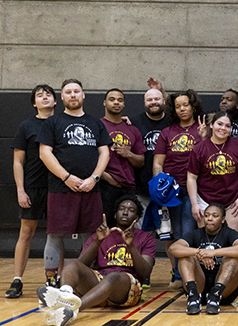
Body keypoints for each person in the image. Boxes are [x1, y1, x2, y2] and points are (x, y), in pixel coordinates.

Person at [37, 196, 156, 326]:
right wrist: (97, 241)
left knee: (114, 276)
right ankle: (65, 295)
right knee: (71, 263)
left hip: (127, 287)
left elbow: (145, 272)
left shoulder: (146, 238)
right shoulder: (101, 234)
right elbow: (81, 264)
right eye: (121, 209)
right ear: (115, 214)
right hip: (100, 283)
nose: (125, 212)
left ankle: (73, 309)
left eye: (131, 210)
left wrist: (131, 246)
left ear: (137, 217)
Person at [37, 79, 112, 287]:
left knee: (90, 236)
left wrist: (94, 178)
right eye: (68, 92)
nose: (72, 95)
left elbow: (105, 152)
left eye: (76, 91)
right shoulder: (52, 123)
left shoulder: (96, 123)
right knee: (55, 235)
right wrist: (66, 177)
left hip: (90, 189)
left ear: (83, 95)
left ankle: (86, 280)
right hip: (61, 189)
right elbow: (45, 153)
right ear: (62, 97)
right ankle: (52, 283)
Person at [6, 85, 56, 298]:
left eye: (48, 95)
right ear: (34, 103)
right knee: (26, 233)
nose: (44, 97)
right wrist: (20, 190)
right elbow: (18, 162)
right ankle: (17, 280)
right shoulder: (26, 126)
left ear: (55, 101)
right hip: (33, 187)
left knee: (55, 235)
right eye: (39, 95)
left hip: (57, 186)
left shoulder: (61, 123)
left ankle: (53, 280)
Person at [153, 89, 205, 289]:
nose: (182, 109)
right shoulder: (167, 132)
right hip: (171, 190)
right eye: (178, 106)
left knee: (188, 231)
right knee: (172, 234)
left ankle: (190, 275)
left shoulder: (202, 129)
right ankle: (177, 275)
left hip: (193, 188)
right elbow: (158, 163)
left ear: (193, 106)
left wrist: (203, 137)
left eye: (186, 105)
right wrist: (160, 184)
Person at [169, 204, 238, 314]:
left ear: (222, 219)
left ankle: (215, 294)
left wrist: (213, 253)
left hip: (224, 291)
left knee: (233, 257)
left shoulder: (229, 233)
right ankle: (193, 296)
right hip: (200, 285)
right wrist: (198, 252)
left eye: (215, 216)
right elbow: (173, 248)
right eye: (206, 215)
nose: (210, 218)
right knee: (185, 255)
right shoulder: (196, 233)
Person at [187, 112, 238, 234]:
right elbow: (191, 177)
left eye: (227, 126)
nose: (223, 128)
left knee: (234, 242)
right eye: (219, 124)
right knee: (208, 243)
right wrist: (195, 204)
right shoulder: (199, 149)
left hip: (233, 201)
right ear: (211, 125)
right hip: (205, 200)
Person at [99, 89, 146, 227]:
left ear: (124, 104)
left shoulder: (132, 130)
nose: (116, 103)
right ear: (104, 103)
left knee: (127, 230)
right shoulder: (97, 126)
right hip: (104, 186)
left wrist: (129, 154)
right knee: (103, 228)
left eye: (120, 100)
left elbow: (141, 162)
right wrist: (107, 177)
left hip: (127, 188)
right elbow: (88, 161)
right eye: (112, 99)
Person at [130, 80, 171, 227]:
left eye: (157, 99)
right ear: (144, 102)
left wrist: (161, 89)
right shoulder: (134, 121)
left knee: (168, 233)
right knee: (142, 232)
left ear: (163, 101)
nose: (153, 102)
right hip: (142, 186)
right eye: (149, 99)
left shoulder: (172, 120)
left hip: (169, 187)